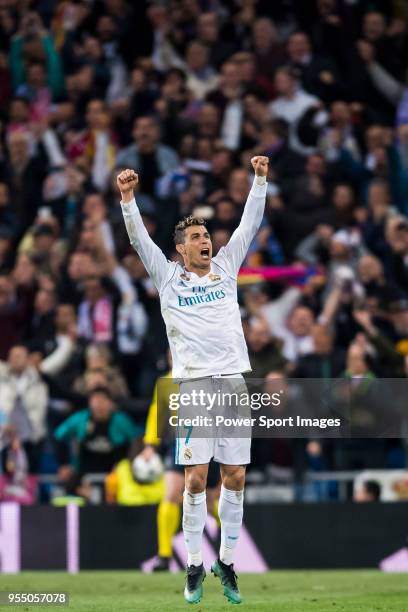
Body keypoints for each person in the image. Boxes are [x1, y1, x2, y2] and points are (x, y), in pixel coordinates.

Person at [117, 156, 268, 604]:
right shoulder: (167, 277)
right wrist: (127, 199)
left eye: (207, 235)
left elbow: (249, 224)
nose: (207, 241)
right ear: (181, 248)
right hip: (195, 387)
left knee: (237, 476)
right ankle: (194, 564)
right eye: (197, 238)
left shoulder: (227, 267)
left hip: (234, 383)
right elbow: (138, 239)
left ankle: (227, 563)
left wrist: (259, 180)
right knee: (196, 480)